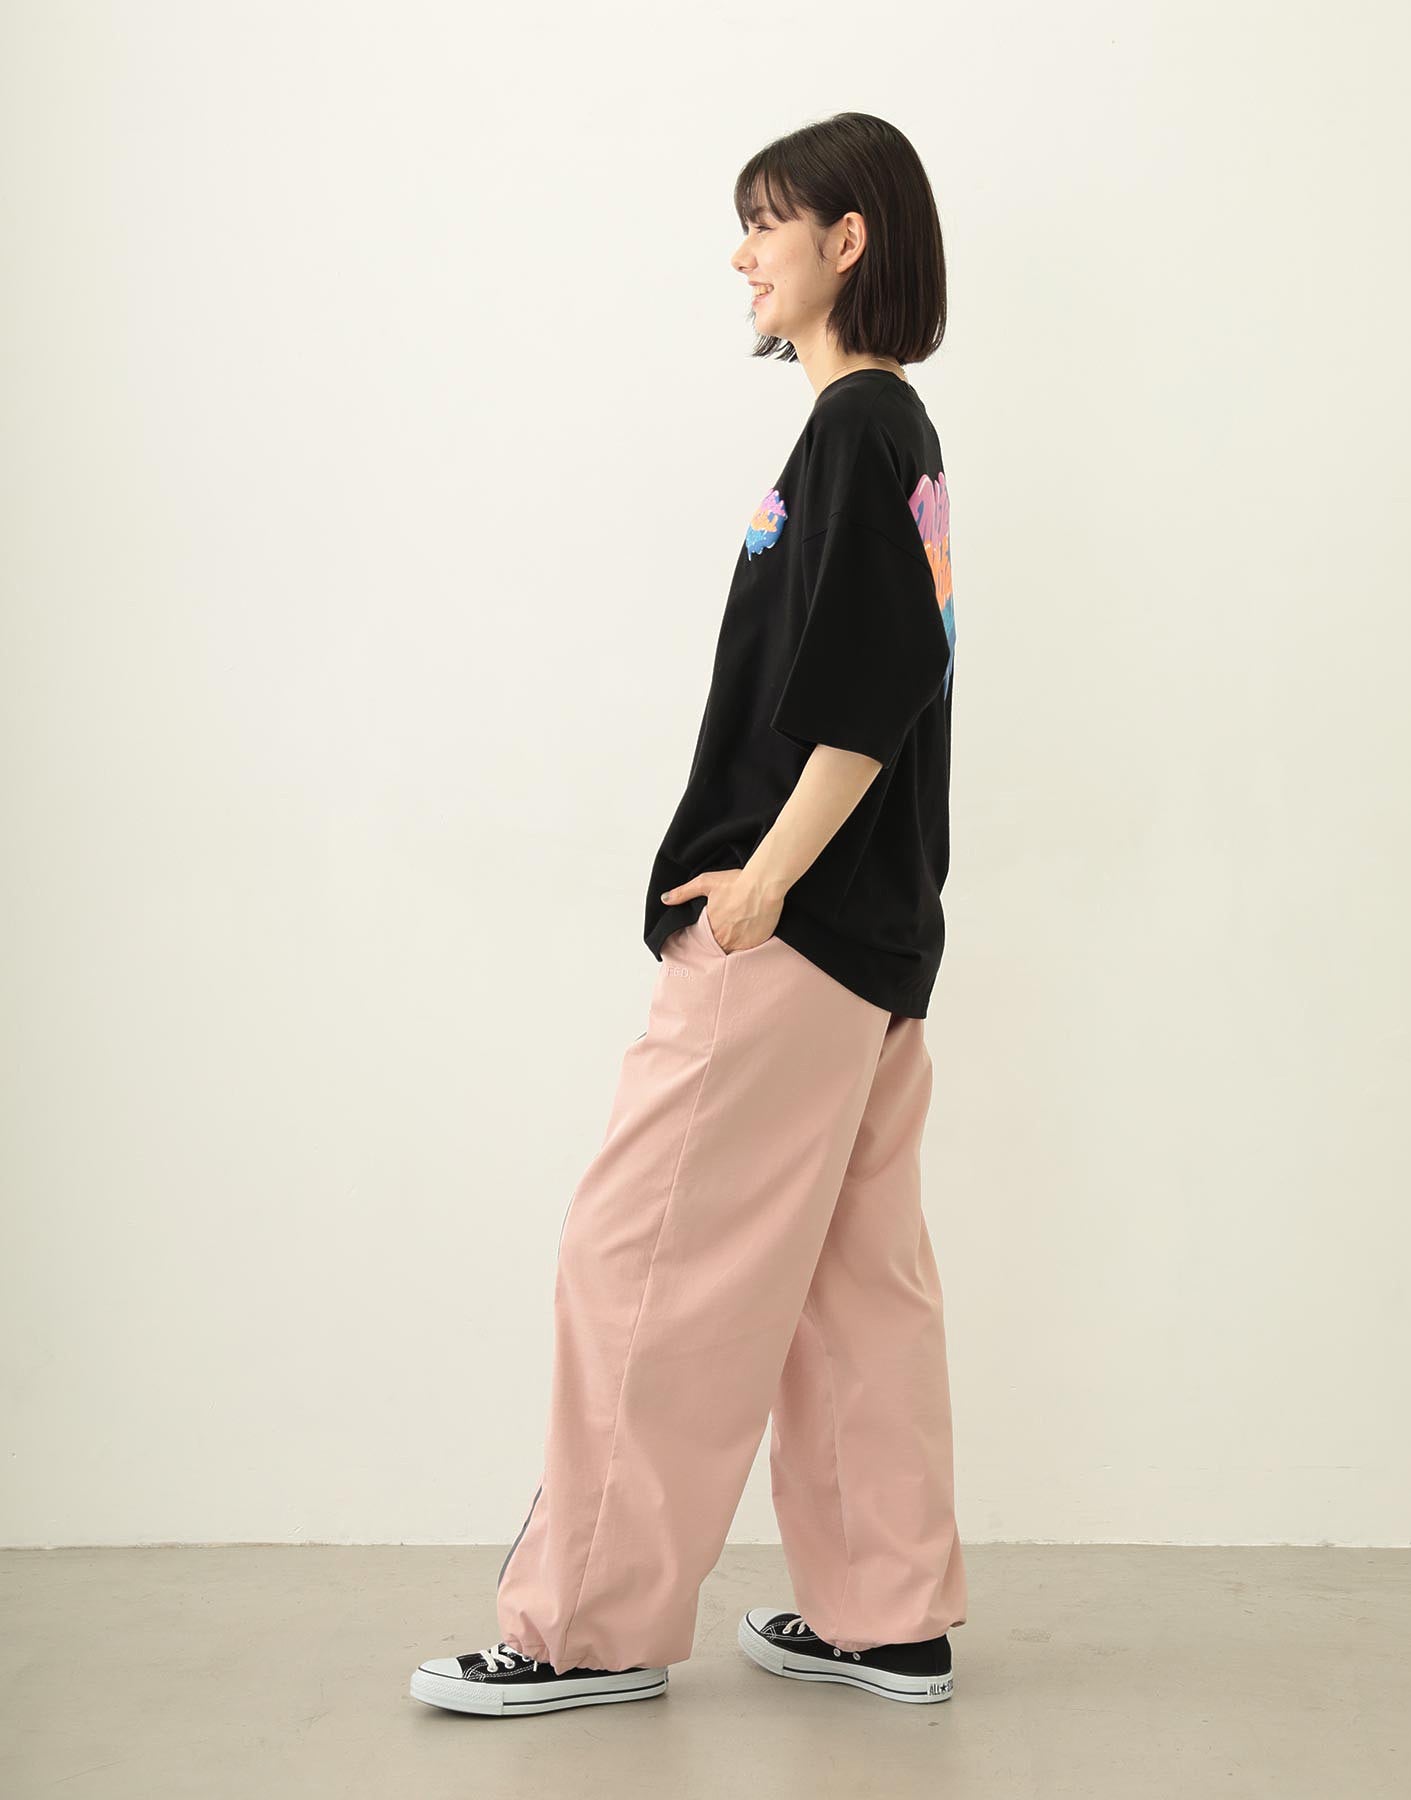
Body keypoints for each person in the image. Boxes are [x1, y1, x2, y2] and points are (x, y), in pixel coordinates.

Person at [410, 110, 965, 1719]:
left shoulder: (858, 430)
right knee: (854, 1284)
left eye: (765, 225)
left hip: (792, 935)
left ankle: (582, 1629)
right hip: (876, 938)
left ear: (845, 239)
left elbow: (869, 690)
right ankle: (886, 1617)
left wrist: (764, 881)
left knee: (636, 1254)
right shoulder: (889, 434)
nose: (741, 256)